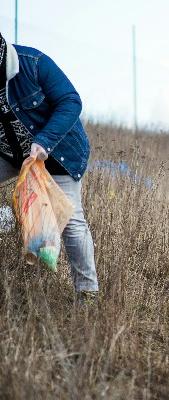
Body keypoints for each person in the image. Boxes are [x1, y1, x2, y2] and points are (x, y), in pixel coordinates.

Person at [0, 32, 98, 301]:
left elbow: (70, 101)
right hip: (10, 154)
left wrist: (44, 141)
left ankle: (87, 294)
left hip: (57, 153)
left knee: (71, 221)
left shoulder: (33, 63)